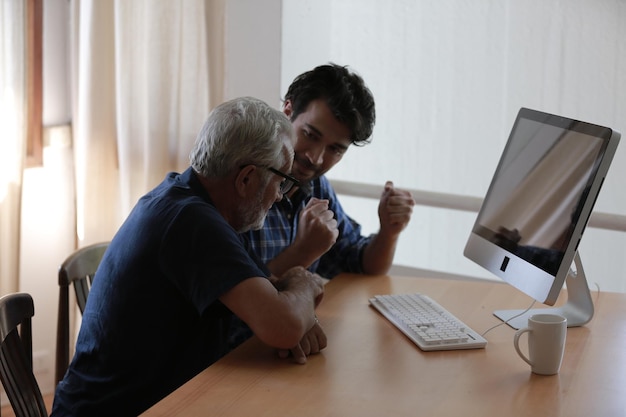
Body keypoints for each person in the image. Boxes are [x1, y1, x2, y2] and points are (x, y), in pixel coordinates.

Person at [51, 97, 326, 417]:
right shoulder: (192, 223)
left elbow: (273, 301)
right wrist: (303, 281)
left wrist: (291, 310)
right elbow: (284, 325)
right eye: (281, 182)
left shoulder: (195, 202)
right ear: (247, 178)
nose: (279, 195)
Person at [232, 64, 415, 349]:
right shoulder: (241, 183)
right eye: (311, 135)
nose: (316, 158)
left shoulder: (314, 184)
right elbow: (238, 310)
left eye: (335, 149)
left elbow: (360, 263)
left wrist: (389, 230)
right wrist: (305, 251)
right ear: (287, 112)